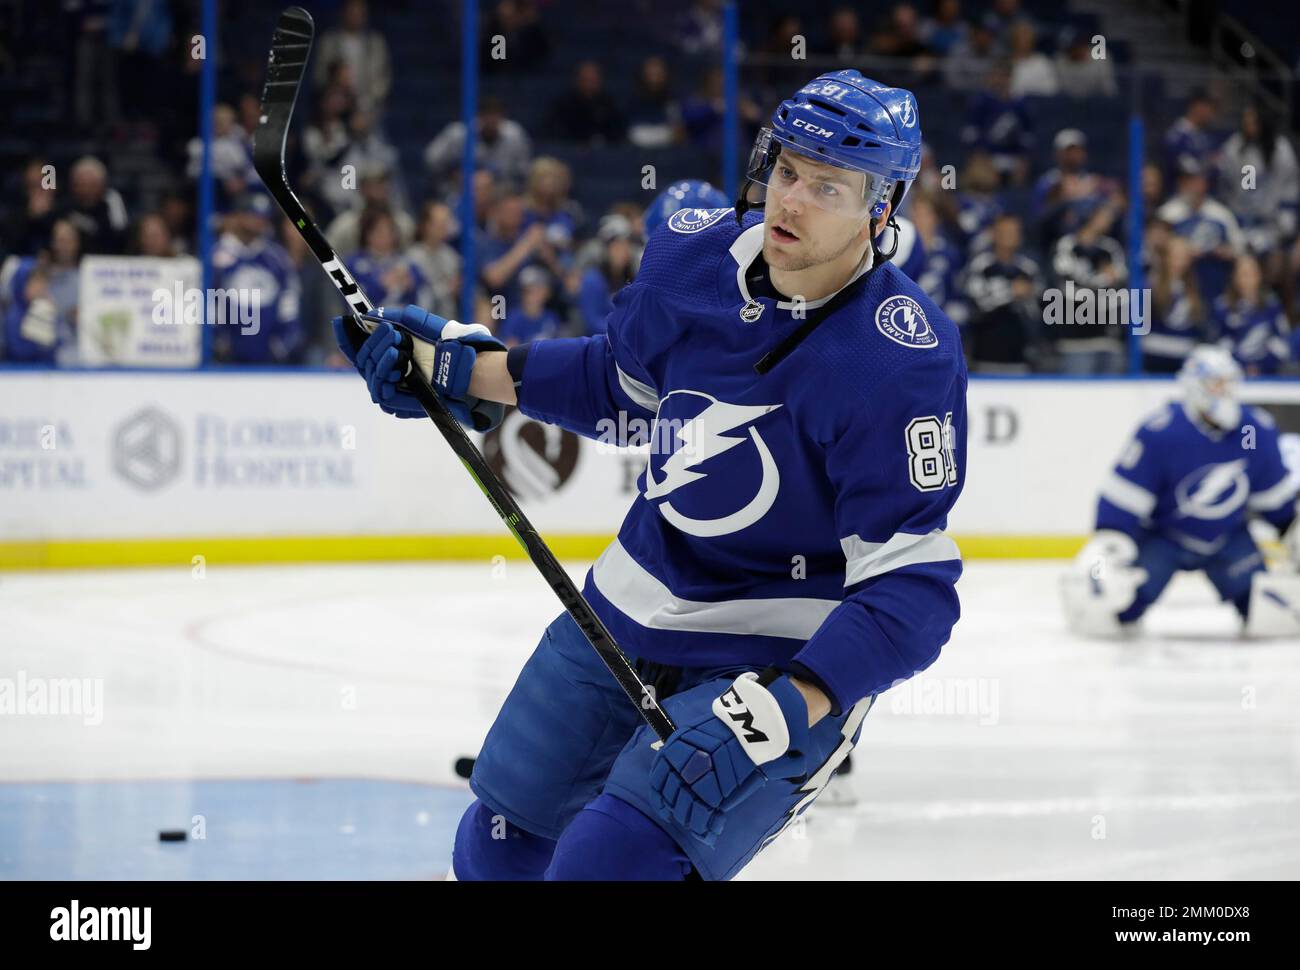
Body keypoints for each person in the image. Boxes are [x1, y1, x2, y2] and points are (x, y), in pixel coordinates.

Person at [331, 70, 966, 880]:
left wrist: (788, 704)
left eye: (828, 187)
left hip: (768, 655)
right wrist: (460, 370)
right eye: (788, 170)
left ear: (881, 210)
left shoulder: (898, 358)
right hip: (630, 603)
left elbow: (912, 590)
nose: (792, 200)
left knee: (608, 866)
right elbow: (615, 385)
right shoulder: (694, 260)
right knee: (496, 850)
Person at [1064, 346, 1300, 638]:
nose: (1225, 391)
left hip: (1227, 539)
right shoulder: (1162, 432)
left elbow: (1274, 501)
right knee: (1118, 607)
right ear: (1195, 387)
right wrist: (1109, 545)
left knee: (1268, 615)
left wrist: (1292, 530)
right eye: (1217, 383)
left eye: (1229, 382)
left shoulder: (1254, 431)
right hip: (1165, 538)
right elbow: (1123, 500)